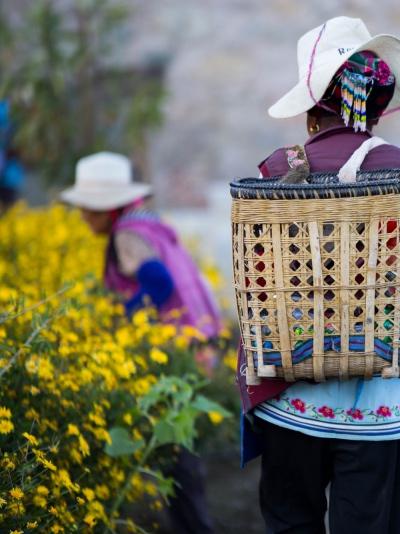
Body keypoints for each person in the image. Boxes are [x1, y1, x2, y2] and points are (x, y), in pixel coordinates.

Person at [236, 16, 400, 533]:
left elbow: (253, 290)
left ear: (312, 105)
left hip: (288, 400)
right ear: (371, 103)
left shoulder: (270, 172)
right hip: (374, 409)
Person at [60, 151, 222, 534]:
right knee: (178, 450)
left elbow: (159, 283)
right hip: (197, 341)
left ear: (108, 208)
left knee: (175, 455)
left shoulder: (127, 234)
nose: (82, 216)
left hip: (175, 349)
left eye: (87, 208)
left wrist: (121, 326)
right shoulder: (148, 224)